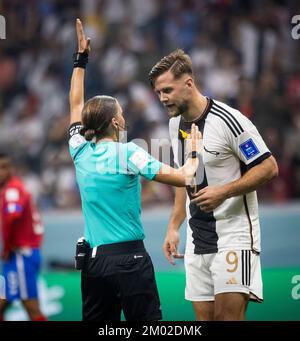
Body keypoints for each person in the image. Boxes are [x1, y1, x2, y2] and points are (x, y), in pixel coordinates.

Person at [68, 20, 201, 321]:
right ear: (115, 123)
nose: (125, 119)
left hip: (94, 264)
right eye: (122, 114)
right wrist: (192, 151)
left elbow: (75, 104)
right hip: (130, 260)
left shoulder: (79, 149)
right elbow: (183, 177)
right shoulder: (128, 152)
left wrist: (80, 60)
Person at [148, 49, 279, 321]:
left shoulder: (230, 120)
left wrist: (224, 191)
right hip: (197, 242)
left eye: (168, 90)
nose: (163, 98)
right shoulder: (175, 126)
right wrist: (174, 225)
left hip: (234, 236)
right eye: (159, 92)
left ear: (189, 83)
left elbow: (269, 167)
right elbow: (183, 178)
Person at [0, 152, 46, 321]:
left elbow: (13, 216)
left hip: (20, 255)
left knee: (31, 307)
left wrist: (6, 248)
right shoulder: (14, 188)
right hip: (18, 256)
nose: (1, 172)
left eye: (4, 167)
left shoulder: (12, 190)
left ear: (12, 169)